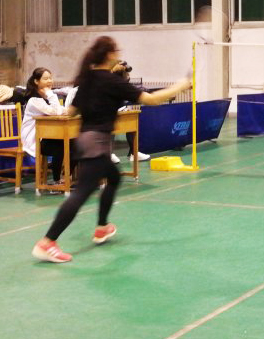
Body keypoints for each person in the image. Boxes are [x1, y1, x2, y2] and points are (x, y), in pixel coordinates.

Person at [31, 36, 191, 263]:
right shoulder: (112, 81)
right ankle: (47, 242)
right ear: (108, 55)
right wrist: (181, 85)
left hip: (86, 140)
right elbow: (152, 100)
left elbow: (72, 112)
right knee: (81, 193)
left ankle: (102, 227)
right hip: (97, 144)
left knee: (114, 178)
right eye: (116, 51)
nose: (118, 54)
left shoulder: (87, 79)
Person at [20, 68, 75, 185]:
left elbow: (61, 110)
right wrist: (51, 94)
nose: (49, 81)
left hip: (48, 136)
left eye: (50, 78)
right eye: (45, 78)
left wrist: (63, 109)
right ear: (36, 81)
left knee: (77, 143)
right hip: (35, 140)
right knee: (60, 146)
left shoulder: (46, 97)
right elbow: (56, 112)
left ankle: (66, 176)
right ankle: (56, 181)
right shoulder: (34, 100)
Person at [109, 61, 150, 164]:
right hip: (108, 109)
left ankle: (134, 153)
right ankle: (109, 153)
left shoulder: (122, 79)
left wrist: (124, 73)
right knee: (110, 127)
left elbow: (126, 85)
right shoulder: (107, 77)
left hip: (120, 106)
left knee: (132, 123)